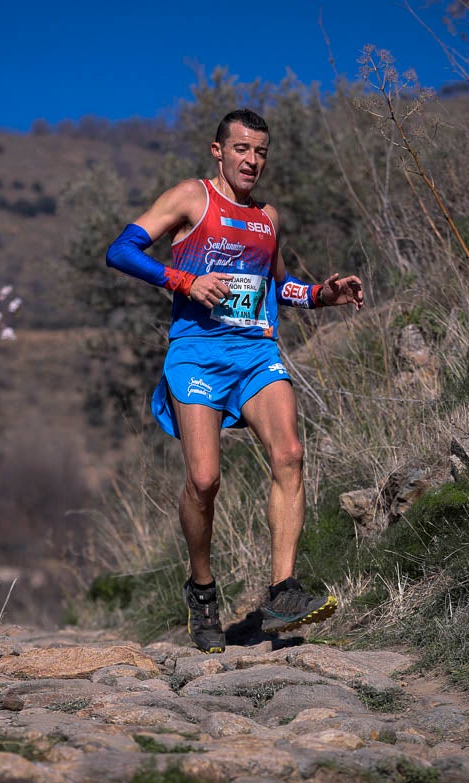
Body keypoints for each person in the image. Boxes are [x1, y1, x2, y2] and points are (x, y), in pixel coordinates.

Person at [105, 108, 364, 653]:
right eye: (242, 149)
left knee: (290, 452)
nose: (252, 160)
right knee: (204, 481)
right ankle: (202, 590)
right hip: (197, 356)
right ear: (218, 150)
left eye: (261, 151)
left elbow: (276, 288)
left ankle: (282, 591)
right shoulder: (191, 199)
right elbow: (120, 251)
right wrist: (184, 280)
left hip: (254, 354)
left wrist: (322, 295)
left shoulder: (267, 217)